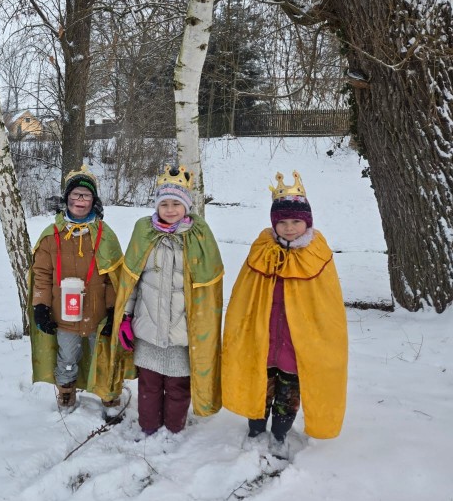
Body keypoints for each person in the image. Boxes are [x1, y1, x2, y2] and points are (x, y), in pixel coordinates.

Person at [221, 171, 348, 458]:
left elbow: (327, 307)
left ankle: (280, 433)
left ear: (307, 222)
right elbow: (245, 297)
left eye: (296, 221)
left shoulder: (318, 255)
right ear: (274, 223)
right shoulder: (262, 251)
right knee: (259, 389)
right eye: (283, 222)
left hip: (296, 345)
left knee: (288, 395)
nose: (289, 228)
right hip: (263, 340)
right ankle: (255, 429)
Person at [111, 165, 224, 435]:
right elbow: (131, 282)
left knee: (178, 386)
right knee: (149, 385)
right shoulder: (144, 233)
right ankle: (149, 427)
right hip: (148, 329)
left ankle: (174, 429)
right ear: (157, 206)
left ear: (186, 206)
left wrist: (203, 330)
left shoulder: (198, 238)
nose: (170, 209)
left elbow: (207, 292)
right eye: (165, 204)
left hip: (182, 333)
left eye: (176, 203)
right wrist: (126, 317)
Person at [28, 165, 125, 419]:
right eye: (75, 195)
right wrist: (41, 305)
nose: (80, 201)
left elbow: (114, 277)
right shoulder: (52, 236)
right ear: (66, 199)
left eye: (86, 196)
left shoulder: (105, 236)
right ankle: (67, 391)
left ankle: (110, 394)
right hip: (64, 314)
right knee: (67, 357)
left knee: (104, 356)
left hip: (98, 314)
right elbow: (42, 275)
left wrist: (114, 309)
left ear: (94, 201)